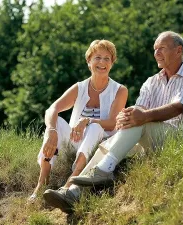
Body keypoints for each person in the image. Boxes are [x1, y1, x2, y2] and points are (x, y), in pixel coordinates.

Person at [43, 31, 183, 213]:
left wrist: (142, 116)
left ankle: (104, 171)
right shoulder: (151, 82)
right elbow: (138, 112)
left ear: (178, 51)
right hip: (152, 139)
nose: (156, 53)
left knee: (141, 122)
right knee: (107, 143)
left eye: (162, 48)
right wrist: (126, 117)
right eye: (155, 50)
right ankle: (73, 193)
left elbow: (177, 108)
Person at [28, 40, 128, 201]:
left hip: (101, 146)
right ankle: (41, 184)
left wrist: (87, 120)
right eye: (97, 57)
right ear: (89, 61)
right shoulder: (80, 87)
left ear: (112, 63)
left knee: (95, 127)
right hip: (76, 141)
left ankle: (70, 183)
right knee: (56, 122)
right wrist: (52, 131)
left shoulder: (120, 90)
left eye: (107, 58)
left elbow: (112, 123)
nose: (102, 62)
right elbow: (52, 109)